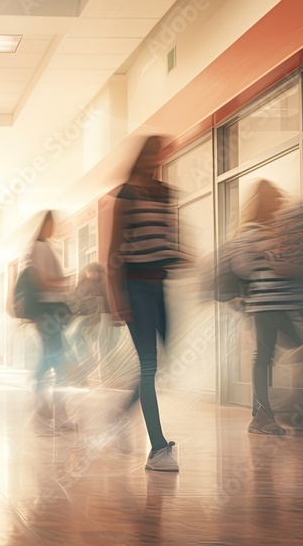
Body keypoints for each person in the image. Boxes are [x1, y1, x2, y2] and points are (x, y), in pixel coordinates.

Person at [105, 136, 182, 471]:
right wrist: (116, 298)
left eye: (161, 153)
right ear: (142, 156)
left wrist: (180, 257)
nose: (157, 158)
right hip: (135, 289)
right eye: (152, 152)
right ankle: (157, 447)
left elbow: (168, 238)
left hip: (159, 287)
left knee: (159, 362)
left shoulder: (165, 192)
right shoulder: (126, 193)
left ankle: (119, 416)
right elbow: (113, 253)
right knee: (149, 364)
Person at [230, 179, 303, 436]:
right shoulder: (252, 231)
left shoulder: (273, 229)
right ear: (266, 203)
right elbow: (241, 266)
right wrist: (271, 260)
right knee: (266, 358)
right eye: (276, 201)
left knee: (299, 349)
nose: (280, 206)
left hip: (280, 304)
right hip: (266, 305)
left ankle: (268, 412)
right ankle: (265, 415)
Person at [27, 211, 74, 432]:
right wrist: (65, 281)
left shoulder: (41, 247)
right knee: (57, 361)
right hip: (48, 312)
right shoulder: (41, 247)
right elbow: (44, 282)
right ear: (45, 224)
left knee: (52, 359)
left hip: (48, 312)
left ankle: (49, 410)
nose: (54, 227)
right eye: (52, 223)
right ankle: (50, 412)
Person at [67, 263, 108, 386]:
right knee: (73, 336)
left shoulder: (101, 286)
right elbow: (73, 302)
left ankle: (81, 373)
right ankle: (80, 373)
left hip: (96, 318)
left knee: (95, 350)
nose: (93, 273)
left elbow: (103, 304)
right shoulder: (81, 285)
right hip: (83, 317)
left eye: (96, 271)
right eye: (91, 270)